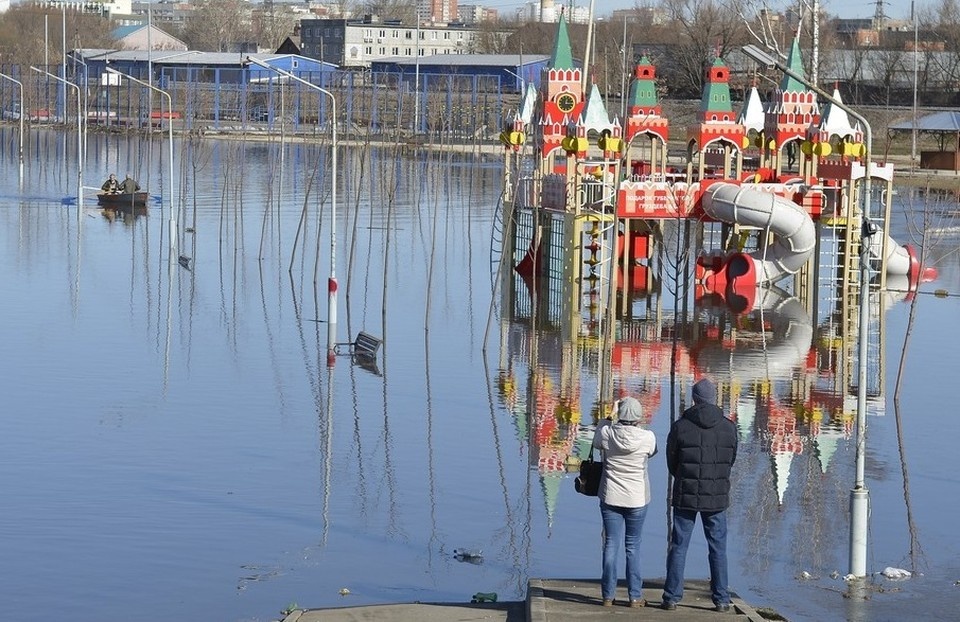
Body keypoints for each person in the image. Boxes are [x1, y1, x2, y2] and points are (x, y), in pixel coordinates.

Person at [661, 378, 738, 613]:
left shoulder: (680, 426)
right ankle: (722, 598)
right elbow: (730, 460)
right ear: (714, 398)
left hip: (686, 492)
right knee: (718, 547)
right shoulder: (729, 427)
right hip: (716, 495)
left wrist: (682, 476)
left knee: (679, 545)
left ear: (694, 398)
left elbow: (671, 460)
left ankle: (672, 597)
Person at [591, 396, 658, 608]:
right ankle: (635, 596)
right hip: (637, 498)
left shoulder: (607, 433)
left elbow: (594, 442)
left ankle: (607, 595)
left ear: (620, 415)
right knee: (633, 546)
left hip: (611, 496)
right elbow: (652, 453)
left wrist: (608, 416)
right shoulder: (648, 437)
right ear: (639, 417)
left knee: (610, 543)